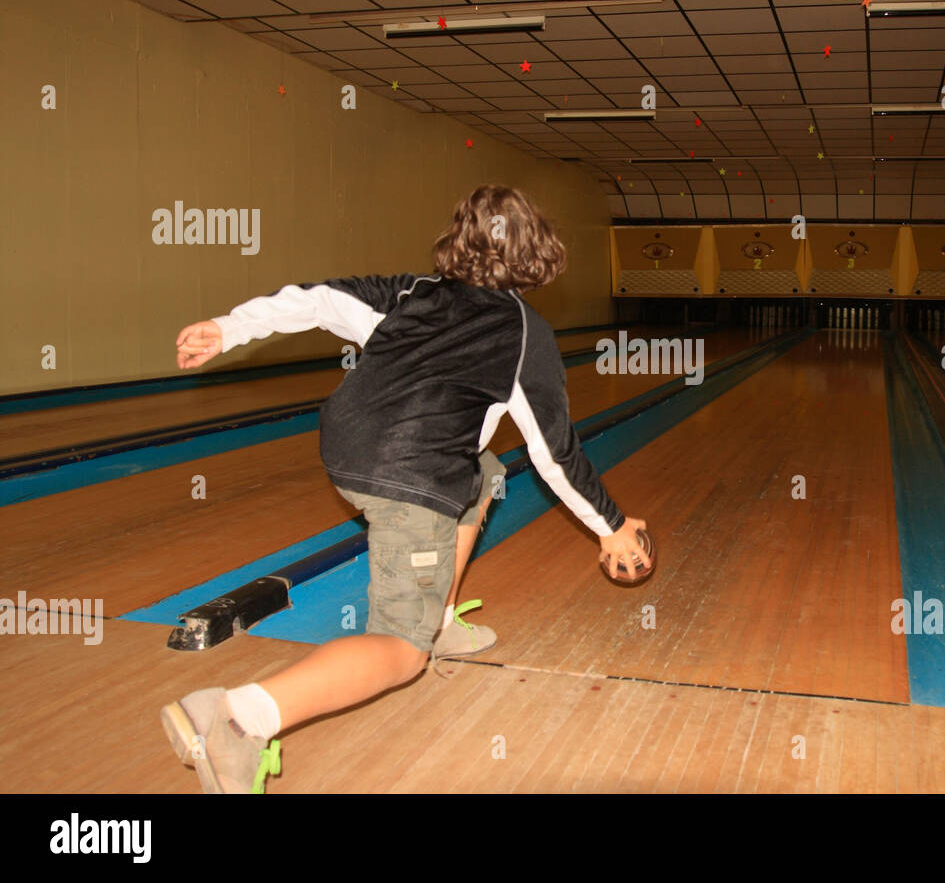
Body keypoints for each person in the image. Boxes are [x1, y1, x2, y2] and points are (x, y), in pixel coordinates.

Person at [161, 185, 649, 793]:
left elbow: (314, 300)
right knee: (400, 648)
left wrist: (226, 328)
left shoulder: (412, 292)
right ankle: (236, 718)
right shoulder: (527, 336)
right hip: (408, 473)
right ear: (537, 254)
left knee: (484, 474)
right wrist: (612, 526)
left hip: (349, 443)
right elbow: (555, 456)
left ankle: (439, 616)